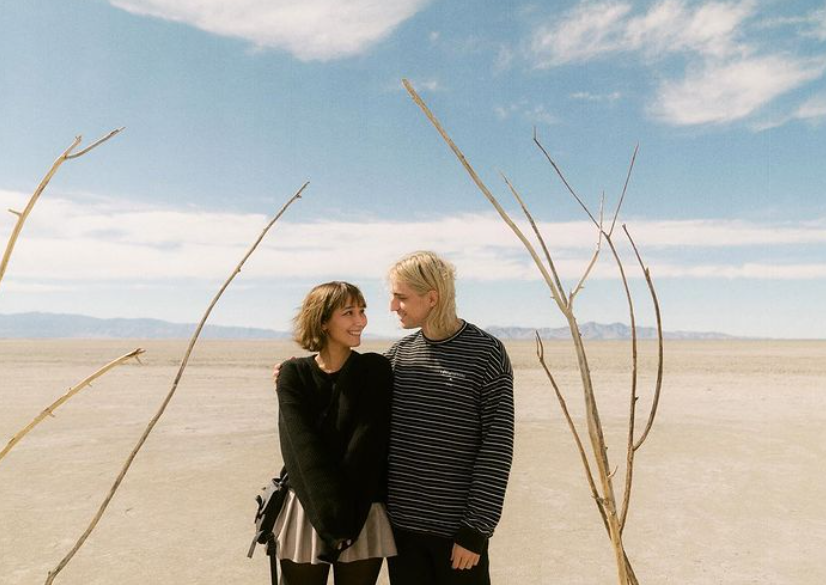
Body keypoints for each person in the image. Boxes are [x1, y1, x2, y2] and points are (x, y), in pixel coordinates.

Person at [385, 251, 514, 585]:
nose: (392, 306)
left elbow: (497, 447)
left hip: (457, 536)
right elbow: (345, 389)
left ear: (432, 298)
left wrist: (476, 530)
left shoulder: (487, 353)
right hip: (401, 532)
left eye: (401, 297)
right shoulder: (397, 357)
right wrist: (297, 371)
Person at [273, 281, 397, 585]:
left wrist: (345, 524)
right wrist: (330, 519)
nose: (361, 321)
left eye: (362, 311)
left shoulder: (374, 369)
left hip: (362, 508)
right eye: (349, 313)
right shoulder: (294, 375)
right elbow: (302, 451)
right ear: (323, 321)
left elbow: (366, 447)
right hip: (306, 506)